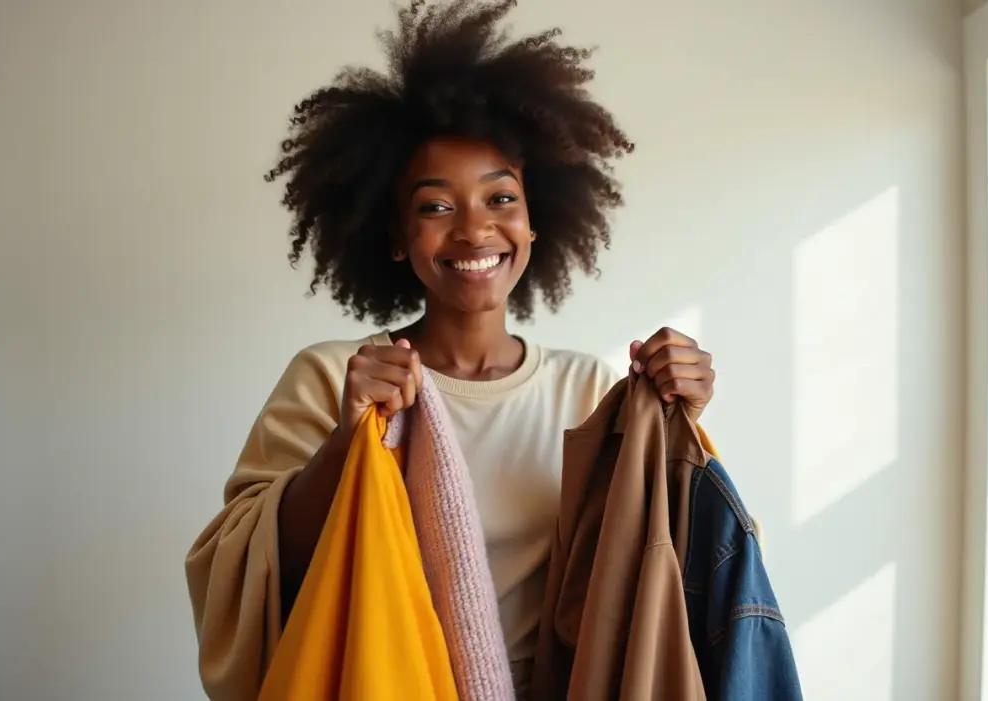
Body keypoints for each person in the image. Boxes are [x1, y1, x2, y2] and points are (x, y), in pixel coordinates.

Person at [185, 1, 716, 698]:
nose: (474, 230)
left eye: (501, 198)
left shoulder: (590, 393)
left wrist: (685, 423)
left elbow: (685, 571)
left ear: (535, 221)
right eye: (437, 206)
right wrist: (348, 441)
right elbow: (245, 564)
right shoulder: (333, 377)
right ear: (397, 235)